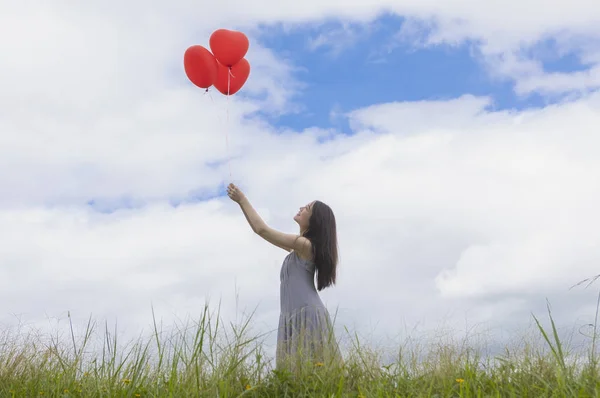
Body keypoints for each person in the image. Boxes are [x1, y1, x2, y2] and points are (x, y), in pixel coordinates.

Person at [226, 183, 342, 371]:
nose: (301, 208)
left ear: (315, 220)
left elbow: (262, 230)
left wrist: (242, 200)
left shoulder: (304, 245)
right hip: (294, 313)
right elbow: (259, 231)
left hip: (306, 314)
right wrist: (240, 203)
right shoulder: (300, 248)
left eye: (307, 208)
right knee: (298, 375)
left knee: (311, 373)